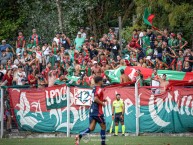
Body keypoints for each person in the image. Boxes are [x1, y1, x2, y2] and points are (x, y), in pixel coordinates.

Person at [75, 76, 106, 145]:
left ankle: (79, 136)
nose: (102, 82)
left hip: (92, 110)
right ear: (99, 81)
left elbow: (94, 98)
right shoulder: (99, 89)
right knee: (103, 126)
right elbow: (95, 99)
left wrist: (102, 100)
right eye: (102, 81)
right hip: (97, 111)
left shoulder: (94, 88)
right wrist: (102, 104)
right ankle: (103, 143)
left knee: (91, 128)